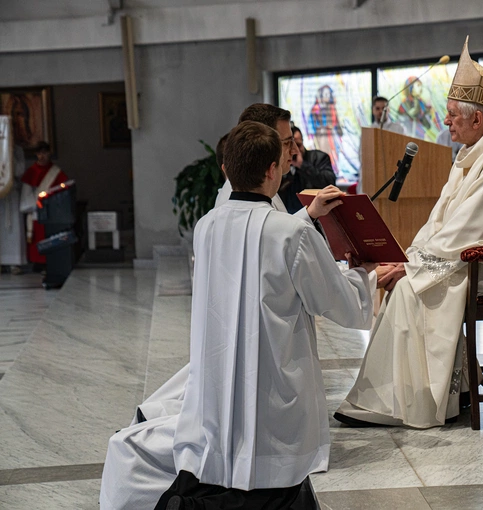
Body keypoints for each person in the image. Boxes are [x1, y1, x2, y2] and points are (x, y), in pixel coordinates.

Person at [100, 106, 351, 509]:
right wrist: (364, 275)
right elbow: (336, 301)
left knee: (233, 449)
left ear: (226, 167)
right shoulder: (288, 231)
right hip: (271, 374)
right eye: (284, 149)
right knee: (272, 466)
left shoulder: (208, 224)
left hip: (220, 374)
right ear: (272, 170)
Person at [334, 36, 483, 429]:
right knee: (408, 282)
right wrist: (407, 257)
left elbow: (465, 229)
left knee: (417, 288)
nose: (445, 122)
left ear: (478, 120)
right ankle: (432, 391)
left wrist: (412, 269)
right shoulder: (473, 154)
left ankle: (417, 400)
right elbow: (441, 220)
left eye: (451, 115)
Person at [19, 142, 68, 267]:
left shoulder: (56, 172)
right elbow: (26, 196)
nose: (42, 156)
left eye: (45, 153)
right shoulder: (31, 172)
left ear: (49, 153)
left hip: (52, 212)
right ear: (36, 154)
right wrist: (37, 204)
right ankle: (37, 263)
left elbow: (63, 191)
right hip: (36, 212)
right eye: (39, 153)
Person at [279, 126, 336, 214]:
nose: (295, 150)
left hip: (317, 215)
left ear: (303, 142)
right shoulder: (281, 162)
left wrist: (302, 165)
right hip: (289, 214)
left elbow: (329, 183)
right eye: (290, 145)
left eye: (298, 144)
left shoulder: (319, 157)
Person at [0, 143, 27, 272]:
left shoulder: (17, 149)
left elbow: (20, 170)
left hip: (12, 192)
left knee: (13, 227)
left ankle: (14, 262)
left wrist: (10, 153)